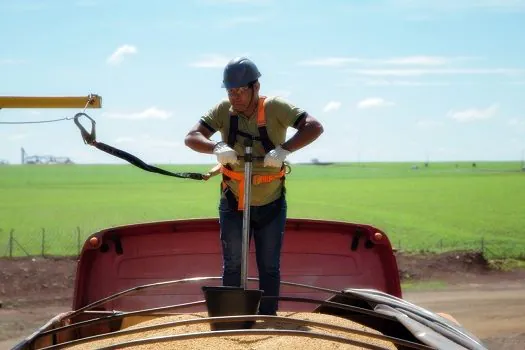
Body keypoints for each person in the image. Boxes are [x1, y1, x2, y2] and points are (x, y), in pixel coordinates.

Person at [184, 56, 324, 315]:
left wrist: (284, 149)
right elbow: (192, 137)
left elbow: (314, 127)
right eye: (230, 91)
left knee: (269, 265)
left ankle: (267, 317)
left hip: (271, 201)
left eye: (240, 90)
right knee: (233, 263)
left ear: (255, 87)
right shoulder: (223, 110)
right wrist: (216, 146)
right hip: (233, 199)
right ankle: (231, 318)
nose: (234, 97)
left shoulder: (276, 108)